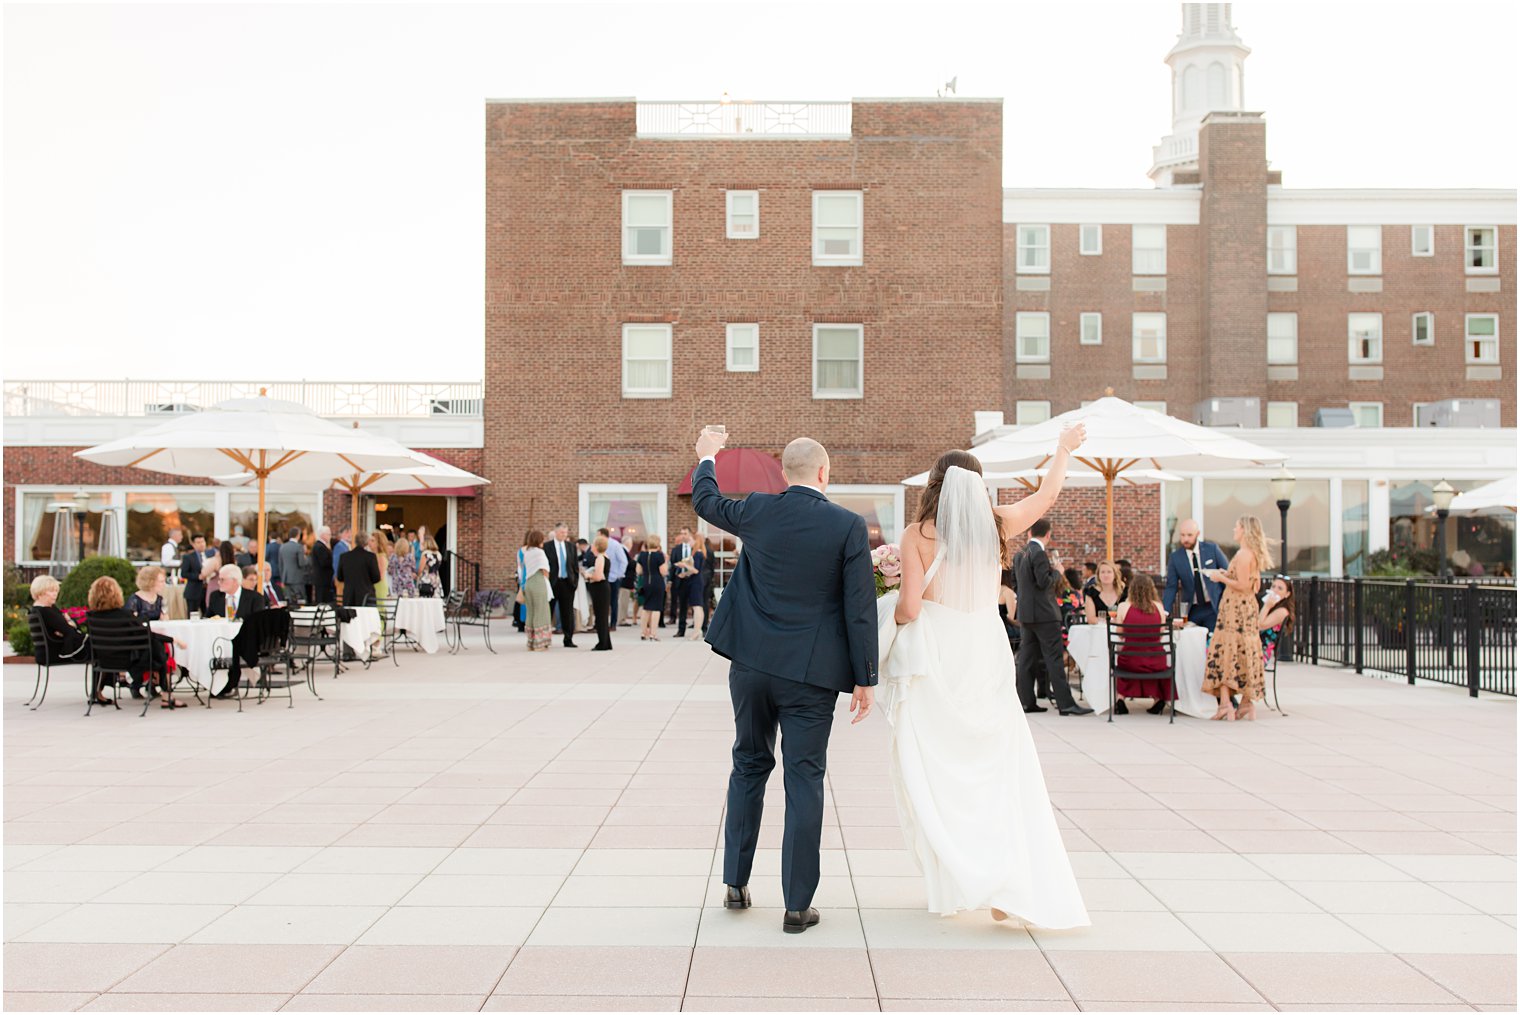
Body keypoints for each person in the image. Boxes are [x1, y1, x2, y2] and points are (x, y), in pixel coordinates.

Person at [885, 434, 1091, 929]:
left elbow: (911, 609)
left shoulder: (918, 533)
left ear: (935, 486)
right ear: (977, 487)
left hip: (937, 655)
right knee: (996, 768)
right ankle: (1004, 882)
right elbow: (1046, 497)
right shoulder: (996, 525)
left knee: (938, 771)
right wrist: (1062, 451)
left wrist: (883, 609)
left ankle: (956, 878)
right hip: (985, 651)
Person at [691, 430, 878, 935]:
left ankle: (735, 882)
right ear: (824, 473)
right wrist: (866, 678)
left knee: (748, 764)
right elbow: (859, 608)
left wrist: (708, 452)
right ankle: (797, 905)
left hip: (751, 665)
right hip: (811, 676)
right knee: (804, 779)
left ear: (783, 474)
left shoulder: (757, 510)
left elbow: (705, 500)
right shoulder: (847, 526)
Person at [1011, 517, 1094, 716]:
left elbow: (1016, 584)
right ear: (1048, 534)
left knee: (1026, 659)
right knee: (1054, 659)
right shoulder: (1039, 553)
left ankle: (1026, 702)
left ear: (1029, 532)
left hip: (1026, 614)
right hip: (1045, 615)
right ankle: (1066, 704)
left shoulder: (1020, 554)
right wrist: (1057, 572)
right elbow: (1043, 582)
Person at [1202, 515, 1273, 722]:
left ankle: (1227, 705)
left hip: (1236, 609)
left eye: (1237, 527)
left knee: (1228, 651)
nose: (1234, 530)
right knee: (1242, 651)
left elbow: (1243, 585)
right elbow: (1250, 583)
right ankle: (1245, 704)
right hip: (1244, 607)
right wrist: (1228, 574)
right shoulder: (1251, 554)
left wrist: (1220, 577)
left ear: (1244, 530)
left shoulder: (1244, 554)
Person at [1112, 572, 1174, 715]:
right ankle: (1157, 699)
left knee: (1125, 659)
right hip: (1155, 660)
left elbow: (1120, 633)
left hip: (1130, 660)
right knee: (1151, 663)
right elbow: (1161, 631)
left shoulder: (1123, 607)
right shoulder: (1158, 607)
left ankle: (1120, 698)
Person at [128, 566, 189, 708]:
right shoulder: (135, 600)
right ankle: (164, 693)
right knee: (162, 652)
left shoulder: (160, 599)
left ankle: (160, 689)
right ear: (150, 581)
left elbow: (165, 619)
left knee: (162, 649)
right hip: (140, 642)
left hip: (156, 638)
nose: (163, 584)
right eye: (160, 581)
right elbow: (134, 626)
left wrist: (164, 617)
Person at [86, 575, 149, 705]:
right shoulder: (124, 615)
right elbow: (144, 636)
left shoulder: (92, 616)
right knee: (156, 649)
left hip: (102, 660)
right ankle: (160, 689)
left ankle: (97, 691)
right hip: (126, 661)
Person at [206, 563, 267, 699]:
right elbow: (208, 617)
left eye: (222, 579)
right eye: (219, 579)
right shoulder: (216, 597)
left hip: (246, 640)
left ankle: (230, 683)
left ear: (234, 581)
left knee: (235, 646)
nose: (219, 582)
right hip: (218, 640)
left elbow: (258, 623)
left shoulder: (254, 598)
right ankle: (216, 684)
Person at [1162, 519, 1225, 631]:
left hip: (1213, 607)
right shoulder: (1175, 558)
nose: (1185, 539)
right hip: (1192, 610)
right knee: (1192, 642)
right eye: (1182, 535)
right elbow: (1171, 586)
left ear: (1198, 534)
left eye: (1189, 535)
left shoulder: (1212, 550)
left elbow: (1227, 574)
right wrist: (1164, 612)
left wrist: (1226, 605)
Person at [28, 575, 88, 667]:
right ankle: (106, 681)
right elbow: (69, 631)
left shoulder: (36, 610)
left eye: (56, 591)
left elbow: (67, 629)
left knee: (103, 648)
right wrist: (70, 624)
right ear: (40, 593)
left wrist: (69, 625)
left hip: (45, 653)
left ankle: (103, 681)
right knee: (105, 648)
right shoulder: (46, 611)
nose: (55, 594)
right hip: (57, 652)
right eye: (51, 591)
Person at [545, 523, 580, 647]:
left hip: (567, 583)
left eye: (565, 533)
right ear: (555, 532)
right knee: (548, 611)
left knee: (568, 612)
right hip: (553, 583)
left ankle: (568, 639)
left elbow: (575, 566)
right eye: (561, 532)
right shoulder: (547, 547)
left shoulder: (570, 546)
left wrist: (574, 582)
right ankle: (545, 638)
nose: (564, 535)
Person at [521, 530, 553, 651]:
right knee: (542, 611)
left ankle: (531, 642)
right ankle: (540, 643)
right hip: (539, 582)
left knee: (531, 612)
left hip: (529, 583)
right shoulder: (539, 553)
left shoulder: (527, 552)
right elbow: (545, 569)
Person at [583, 534, 614, 651]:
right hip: (603, 588)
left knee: (600, 617)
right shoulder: (606, 556)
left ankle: (602, 643)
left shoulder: (600, 558)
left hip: (600, 588)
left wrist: (587, 575)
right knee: (603, 616)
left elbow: (598, 576)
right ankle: (606, 642)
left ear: (596, 546)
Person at [635, 535, 667, 641]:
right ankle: (653, 633)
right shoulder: (659, 555)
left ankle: (643, 632)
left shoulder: (642, 555)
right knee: (656, 608)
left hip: (645, 582)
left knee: (646, 607)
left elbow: (638, 571)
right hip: (657, 582)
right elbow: (663, 572)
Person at [1258, 574, 1295, 664]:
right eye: (1273, 586)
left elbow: (1260, 625)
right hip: (1253, 645)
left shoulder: (1283, 611)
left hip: (1260, 652)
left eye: (1280, 588)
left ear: (1287, 594)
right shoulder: (1272, 605)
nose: (1275, 590)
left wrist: (1267, 606)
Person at [340, 532, 383, 608]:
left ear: (355, 541)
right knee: (367, 618)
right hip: (366, 596)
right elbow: (376, 577)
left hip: (349, 596)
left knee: (350, 619)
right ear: (366, 542)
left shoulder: (344, 557)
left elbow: (340, 577)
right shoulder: (370, 557)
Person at [600, 527, 628, 630]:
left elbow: (623, 561)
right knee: (603, 602)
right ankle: (603, 623)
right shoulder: (598, 545)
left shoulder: (615, 545)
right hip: (602, 578)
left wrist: (618, 576)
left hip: (613, 578)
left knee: (613, 602)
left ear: (603, 535)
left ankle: (613, 624)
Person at [1083, 560, 1127, 624]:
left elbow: (1126, 616)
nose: (1106, 575)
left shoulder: (1124, 592)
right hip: (1098, 630)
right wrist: (1111, 621)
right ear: (1098, 575)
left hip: (1120, 630)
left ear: (1114, 574)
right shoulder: (1091, 592)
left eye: (1109, 572)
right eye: (1102, 572)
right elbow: (1091, 619)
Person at [669, 527, 695, 634]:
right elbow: (672, 566)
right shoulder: (676, 550)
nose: (683, 535)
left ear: (690, 534)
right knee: (683, 606)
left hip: (693, 580)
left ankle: (700, 628)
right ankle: (681, 629)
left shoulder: (694, 548)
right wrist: (671, 580)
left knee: (697, 605)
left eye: (685, 533)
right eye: (681, 533)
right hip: (681, 580)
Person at [682, 536, 708, 640]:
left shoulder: (697, 553)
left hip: (696, 582)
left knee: (697, 606)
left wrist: (684, 565)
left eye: (690, 540)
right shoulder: (700, 553)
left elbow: (695, 570)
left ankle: (696, 631)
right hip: (697, 581)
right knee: (698, 606)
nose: (689, 543)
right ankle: (698, 630)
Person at [279, 528, 310, 606]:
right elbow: (301, 563)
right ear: (298, 535)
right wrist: (307, 558)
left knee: (289, 601)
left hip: (286, 578)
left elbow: (280, 564)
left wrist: (282, 578)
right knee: (300, 601)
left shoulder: (283, 546)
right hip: (297, 579)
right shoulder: (299, 547)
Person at [180, 533, 210, 617]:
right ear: (193, 544)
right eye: (198, 542)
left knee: (207, 615)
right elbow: (184, 573)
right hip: (194, 591)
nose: (201, 544)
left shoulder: (210, 555)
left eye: (203, 541)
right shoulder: (188, 557)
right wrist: (198, 576)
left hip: (208, 590)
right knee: (192, 615)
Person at [310, 527, 335, 604]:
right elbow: (324, 562)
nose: (330, 536)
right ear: (322, 535)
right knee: (322, 602)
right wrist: (333, 561)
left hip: (323, 580)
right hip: (322, 579)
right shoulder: (320, 547)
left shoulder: (321, 546)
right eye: (328, 534)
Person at [373, 530, 392, 599]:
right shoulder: (374, 555)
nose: (370, 543)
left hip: (379, 586)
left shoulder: (381, 557)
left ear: (379, 543)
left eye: (373, 541)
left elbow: (380, 576)